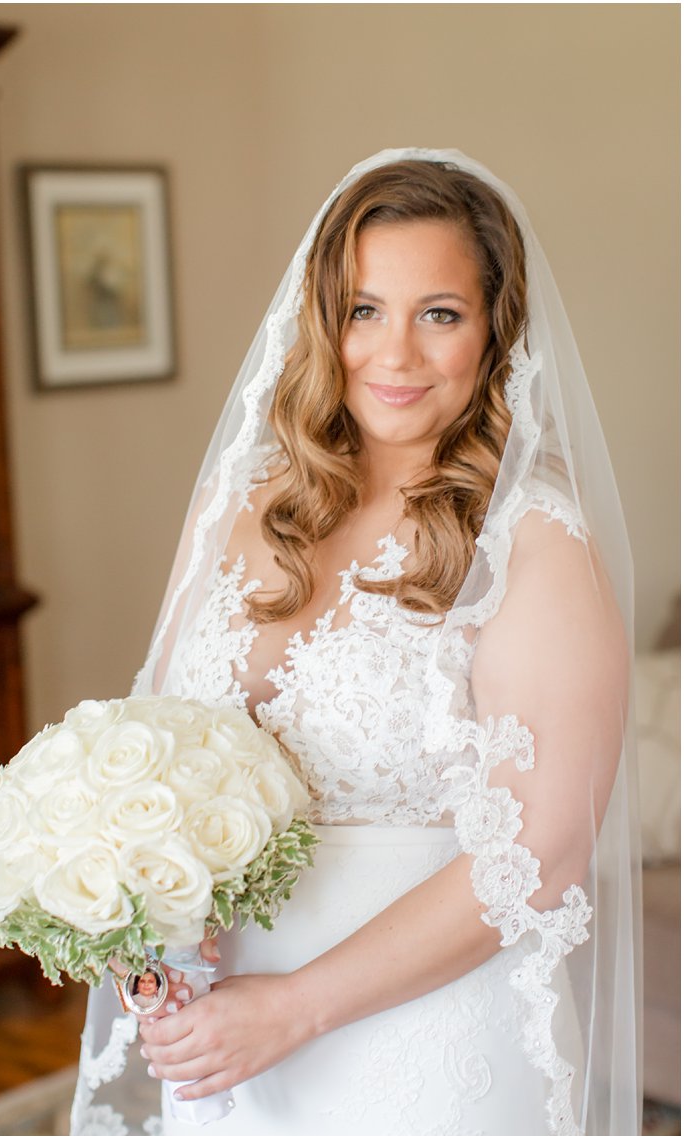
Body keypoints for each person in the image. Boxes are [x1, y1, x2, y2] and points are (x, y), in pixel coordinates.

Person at [70, 150, 638, 1136]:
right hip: (217, 1043)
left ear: (493, 330)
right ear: (320, 320)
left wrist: (292, 1006)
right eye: (364, 309)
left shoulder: (532, 540)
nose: (395, 354)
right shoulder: (232, 508)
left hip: (421, 1047)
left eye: (439, 313)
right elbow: (152, 746)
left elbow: (538, 856)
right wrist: (146, 926)